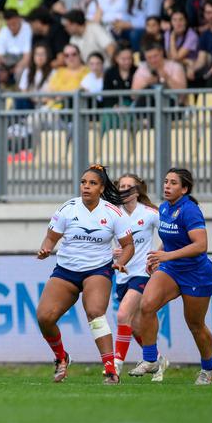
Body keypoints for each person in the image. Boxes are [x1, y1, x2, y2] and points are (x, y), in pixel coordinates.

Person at [35, 164, 134, 383]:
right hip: (66, 271)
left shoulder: (113, 213)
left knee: (95, 312)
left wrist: (120, 262)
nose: (86, 187)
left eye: (92, 183)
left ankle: (110, 370)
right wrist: (46, 248)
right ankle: (62, 358)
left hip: (98, 269)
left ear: (101, 188)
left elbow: (128, 246)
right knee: (44, 317)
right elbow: (51, 237)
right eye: (83, 182)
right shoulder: (67, 208)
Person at [132, 168, 212, 384]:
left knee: (195, 325)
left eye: (173, 183)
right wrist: (159, 257)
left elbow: (201, 245)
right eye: (165, 181)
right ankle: (150, 359)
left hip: (196, 273)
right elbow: (170, 240)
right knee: (146, 305)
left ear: (185, 189)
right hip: (171, 269)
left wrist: (166, 256)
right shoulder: (164, 208)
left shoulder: (190, 210)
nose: (167, 186)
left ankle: (207, 367)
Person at [110, 174, 159, 377]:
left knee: (122, 315)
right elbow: (100, 240)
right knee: (137, 327)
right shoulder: (113, 213)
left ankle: (115, 368)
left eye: (129, 186)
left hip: (142, 274)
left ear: (138, 191)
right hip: (121, 274)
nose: (125, 189)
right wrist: (111, 252)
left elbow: (173, 235)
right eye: (121, 186)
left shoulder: (149, 213)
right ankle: (155, 360)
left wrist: (159, 255)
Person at [0, 10, 33, 86]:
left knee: (20, 71)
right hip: (6, 64)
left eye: (14, 24)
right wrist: (2, 70)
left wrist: (13, 70)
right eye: (9, 25)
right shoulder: (4, 31)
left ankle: (19, 96)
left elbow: (27, 58)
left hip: (21, 62)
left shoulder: (27, 28)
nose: (11, 27)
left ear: (19, 19)